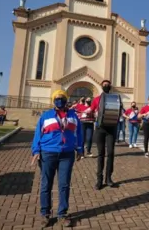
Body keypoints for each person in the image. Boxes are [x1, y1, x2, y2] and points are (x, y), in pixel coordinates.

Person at [30, 89, 83, 227]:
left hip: (67, 154)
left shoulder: (73, 116)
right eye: (57, 98)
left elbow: (79, 133)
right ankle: (45, 214)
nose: (59, 100)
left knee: (64, 185)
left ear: (66, 99)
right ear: (53, 100)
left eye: (62, 98)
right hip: (48, 153)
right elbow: (37, 134)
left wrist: (80, 149)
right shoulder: (46, 116)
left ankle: (62, 214)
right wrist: (36, 150)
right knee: (46, 184)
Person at [90, 80, 118, 190]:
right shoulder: (97, 99)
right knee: (101, 153)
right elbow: (91, 110)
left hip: (111, 129)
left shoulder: (115, 98)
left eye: (108, 84)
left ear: (110, 86)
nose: (106, 86)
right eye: (104, 84)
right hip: (100, 128)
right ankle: (99, 180)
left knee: (110, 153)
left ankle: (109, 178)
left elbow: (120, 110)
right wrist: (94, 113)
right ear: (102, 86)